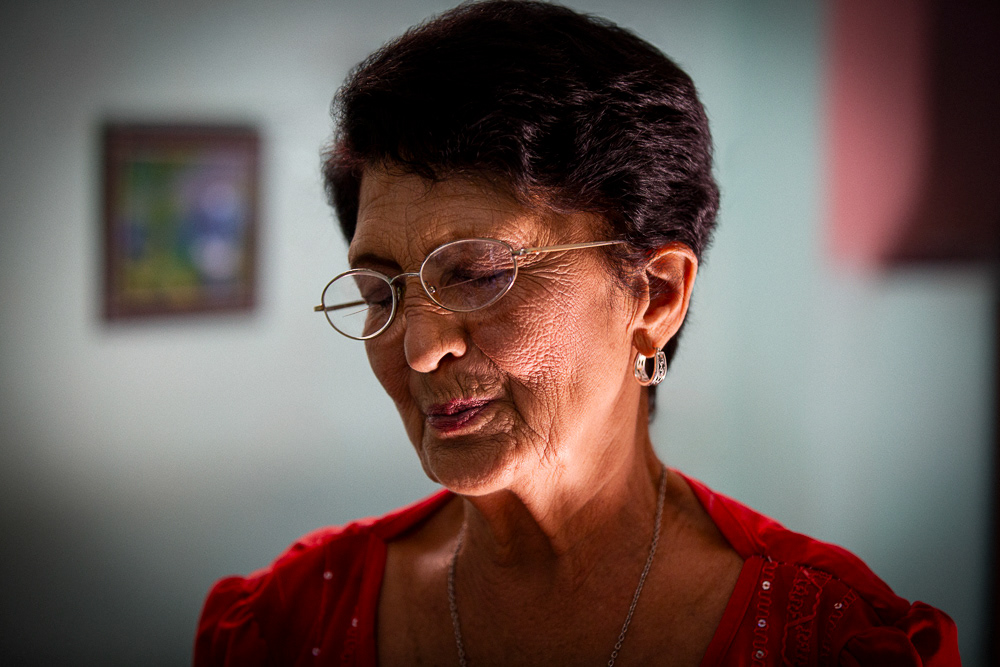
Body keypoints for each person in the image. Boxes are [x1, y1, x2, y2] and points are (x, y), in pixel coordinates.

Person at [195, 1, 960, 664]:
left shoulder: (836, 640)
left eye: (477, 273)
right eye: (381, 289)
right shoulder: (287, 624)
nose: (422, 348)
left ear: (655, 295)